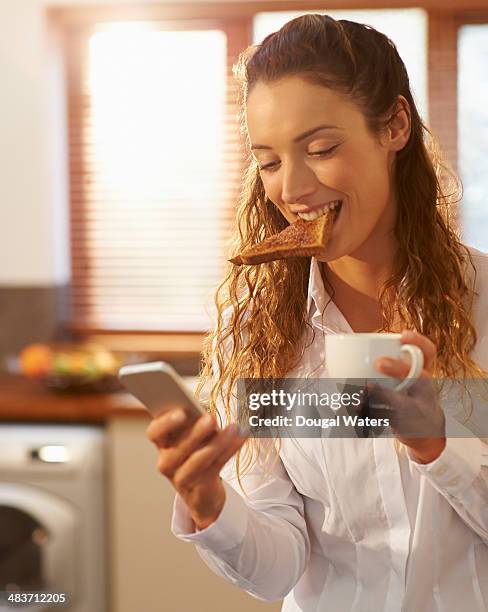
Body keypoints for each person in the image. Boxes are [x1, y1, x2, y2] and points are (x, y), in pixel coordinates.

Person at [146, 14, 488, 611]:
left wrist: (438, 446)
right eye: (270, 162)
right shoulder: (257, 331)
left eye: (322, 149)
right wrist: (210, 505)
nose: (293, 188)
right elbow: (277, 568)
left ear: (395, 126)